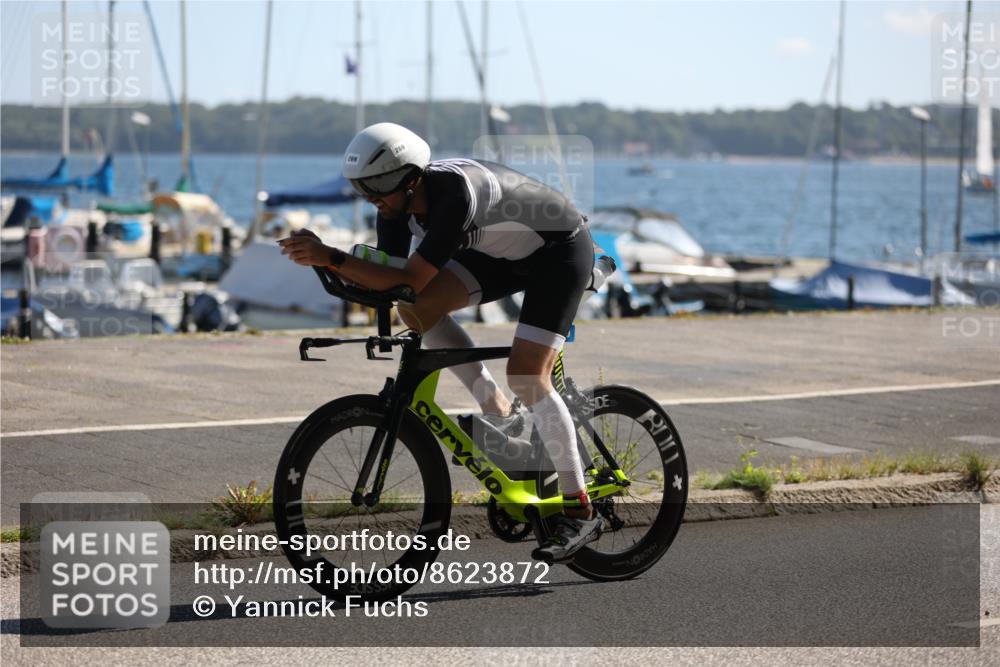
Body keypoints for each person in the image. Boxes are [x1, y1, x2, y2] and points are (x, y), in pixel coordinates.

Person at [279, 122, 600, 562]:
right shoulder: (393, 208)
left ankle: (580, 511)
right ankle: (499, 412)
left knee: (527, 375)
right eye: (362, 188)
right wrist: (329, 263)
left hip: (558, 252)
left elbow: (410, 278)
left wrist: (332, 257)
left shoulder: (453, 196)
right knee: (415, 310)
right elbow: (394, 283)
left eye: (377, 188)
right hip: (497, 254)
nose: (371, 198)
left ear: (411, 179)